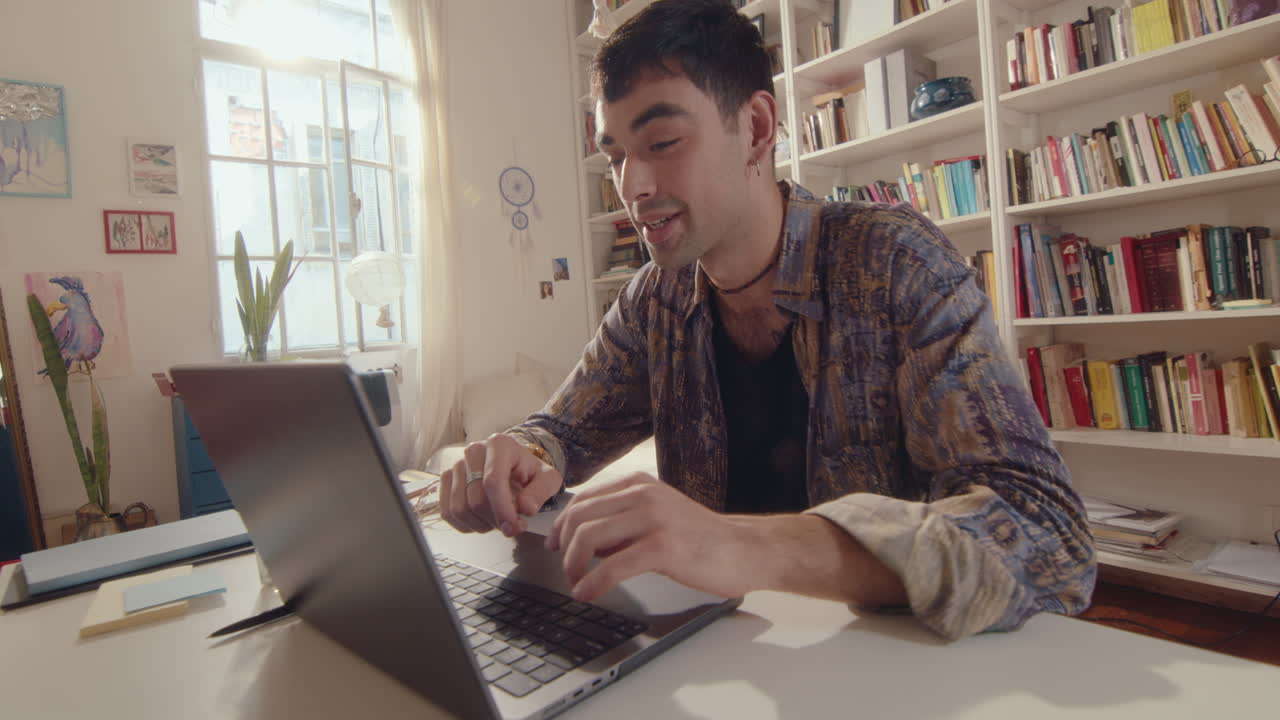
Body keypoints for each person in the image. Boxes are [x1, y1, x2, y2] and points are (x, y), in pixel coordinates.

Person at [439, 0, 1095, 640]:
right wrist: (522, 457)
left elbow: (1048, 535)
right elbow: (563, 430)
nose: (631, 186)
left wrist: (743, 546)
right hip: (718, 653)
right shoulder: (653, 300)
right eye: (615, 155)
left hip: (888, 662)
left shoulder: (895, 263)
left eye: (662, 142)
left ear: (755, 128)